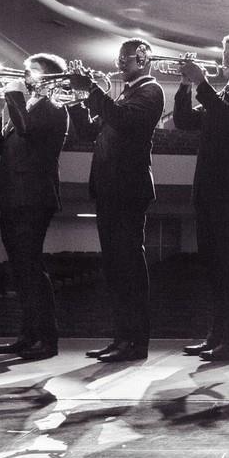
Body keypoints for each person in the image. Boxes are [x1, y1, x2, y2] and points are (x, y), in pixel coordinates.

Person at [69, 39, 165, 363]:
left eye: (128, 56)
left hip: (127, 188)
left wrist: (93, 90)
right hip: (109, 187)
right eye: (121, 56)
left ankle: (135, 343)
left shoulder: (151, 91)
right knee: (114, 269)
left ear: (144, 59)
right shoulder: (124, 94)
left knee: (128, 268)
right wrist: (76, 99)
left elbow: (124, 121)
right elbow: (88, 132)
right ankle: (121, 339)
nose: (121, 61)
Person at [172, 35, 229, 362]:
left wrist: (202, 83)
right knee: (214, 265)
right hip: (210, 186)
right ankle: (217, 335)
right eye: (224, 53)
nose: (225, 58)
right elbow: (184, 122)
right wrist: (184, 86)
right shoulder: (223, 92)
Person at [0, 53, 70, 361]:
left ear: (49, 79)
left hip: (33, 196)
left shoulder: (54, 108)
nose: (24, 75)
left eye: (31, 71)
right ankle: (27, 334)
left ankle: (46, 339)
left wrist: (13, 95)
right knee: (19, 270)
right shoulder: (25, 107)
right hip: (11, 194)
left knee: (31, 267)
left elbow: (27, 131)